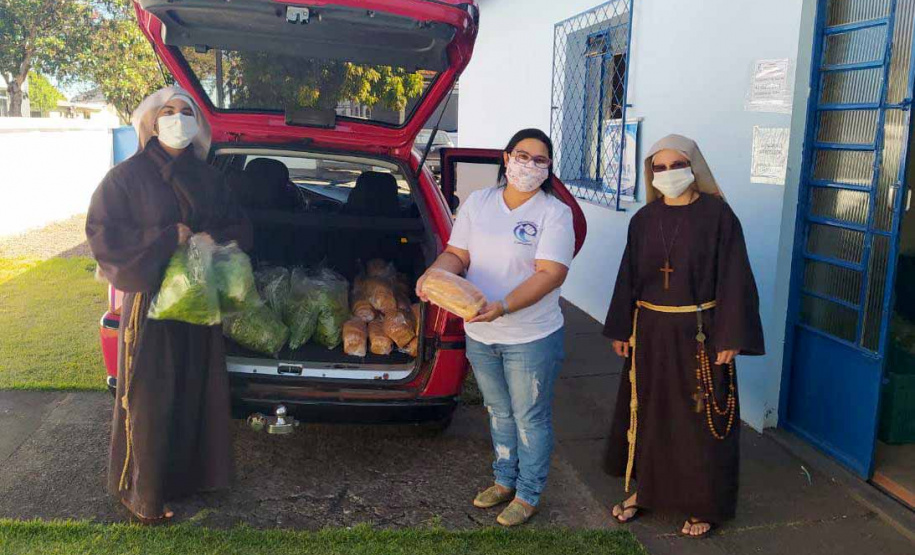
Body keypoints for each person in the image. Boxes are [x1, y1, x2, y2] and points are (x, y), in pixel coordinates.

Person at [86, 86, 252, 523]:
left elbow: (240, 225)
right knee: (150, 396)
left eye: (187, 112)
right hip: (151, 307)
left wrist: (213, 238)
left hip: (200, 304)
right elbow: (104, 236)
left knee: (197, 390)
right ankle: (144, 493)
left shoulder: (210, 177)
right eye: (169, 111)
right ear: (151, 122)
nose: (179, 119)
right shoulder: (126, 177)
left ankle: (187, 479)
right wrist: (165, 239)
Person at [602, 134, 764, 538]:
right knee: (650, 413)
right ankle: (646, 491)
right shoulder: (644, 220)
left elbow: (735, 279)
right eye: (660, 167)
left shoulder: (719, 217)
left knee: (699, 419)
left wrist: (730, 336)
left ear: (695, 167)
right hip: (651, 332)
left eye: (678, 165)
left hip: (701, 334)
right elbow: (628, 277)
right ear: (650, 173)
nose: (669, 174)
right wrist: (622, 326)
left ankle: (701, 503)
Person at [416, 128, 575, 526]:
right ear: (506, 159)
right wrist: (432, 275)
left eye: (540, 160)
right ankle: (504, 480)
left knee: (530, 416)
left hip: (530, 336)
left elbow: (551, 274)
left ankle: (529, 493)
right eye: (523, 156)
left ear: (549, 168)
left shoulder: (554, 212)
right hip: (481, 333)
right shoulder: (479, 202)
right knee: (499, 411)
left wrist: (503, 306)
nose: (530, 165)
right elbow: (458, 253)